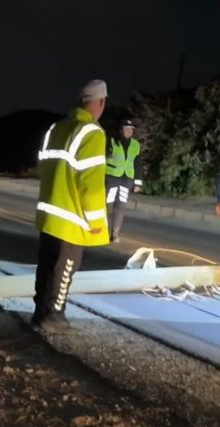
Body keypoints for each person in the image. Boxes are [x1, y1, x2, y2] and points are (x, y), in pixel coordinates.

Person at [32, 79, 110, 332]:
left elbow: (43, 165)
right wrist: (97, 223)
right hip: (71, 218)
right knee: (65, 268)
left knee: (46, 265)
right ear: (100, 103)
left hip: (48, 213)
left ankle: (40, 313)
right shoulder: (92, 133)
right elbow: (91, 184)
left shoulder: (57, 128)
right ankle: (54, 317)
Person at [104, 119, 143, 242]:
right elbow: (103, 158)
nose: (129, 131)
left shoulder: (135, 145)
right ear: (121, 130)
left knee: (120, 207)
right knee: (108, 206)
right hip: (112, 178)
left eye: (131, 129)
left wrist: (137, 182)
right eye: (126, 129)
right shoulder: (111, 141)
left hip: (127, 180)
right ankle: (104, 232)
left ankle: (115, 234)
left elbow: (138, 164)